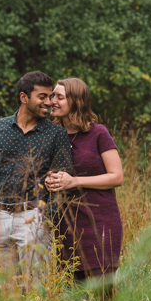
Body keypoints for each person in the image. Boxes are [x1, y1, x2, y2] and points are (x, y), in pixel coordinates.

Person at [0, 71, 72, 290]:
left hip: (34, 219)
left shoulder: (55, 134)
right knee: (8, 288)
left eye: (51, 97)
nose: (49, 103)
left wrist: (48, 221)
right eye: (42, 97)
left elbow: (62, 182)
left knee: (35, 288)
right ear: (24, 98)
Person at [46, 77, 124, 283]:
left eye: (59, 97)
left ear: (76, 101)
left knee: (102, 297)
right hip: (66, 228)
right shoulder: (51, 136)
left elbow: (117, 176)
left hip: (100, 225)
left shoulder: (98, 133)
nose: (52, 100)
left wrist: (75, 181)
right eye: (52, 95)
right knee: (71, 299)